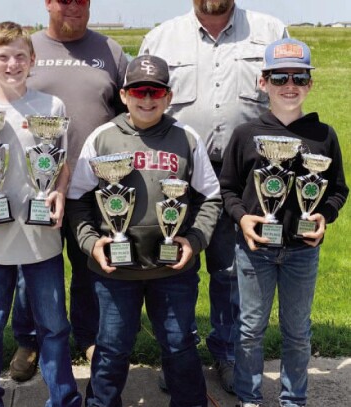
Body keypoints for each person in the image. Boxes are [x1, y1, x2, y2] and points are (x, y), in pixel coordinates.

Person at [139, 0, 287, 393]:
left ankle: (227, 354)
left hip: (246, 177)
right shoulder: (162, 37)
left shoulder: (271, 32)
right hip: (176, 176)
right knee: (173, 268)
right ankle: (178, 356)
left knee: (231, 272)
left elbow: (289, 98)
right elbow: (142, 104)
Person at [67, 54, 221, 407]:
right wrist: (91, 242)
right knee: (111, 348)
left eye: (156, 91)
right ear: (124, 95)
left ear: (168, 96)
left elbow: (211, 198)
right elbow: (77, 200)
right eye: (139, 91)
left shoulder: (186, 138)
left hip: (173, 269)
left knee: (180, 344)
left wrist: (194, 240)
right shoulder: (103, 138)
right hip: (115, 271)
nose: (147, 99)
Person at [0, 21, 82, 407]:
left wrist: (57, 194)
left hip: (42, 238)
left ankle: (63, 399)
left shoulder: (50, 107)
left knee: (55, 326)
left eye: (20, 56)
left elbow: (60, 164)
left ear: (33, 60)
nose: (12, 64)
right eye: (3, 57)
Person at [219, 38, 348, 407]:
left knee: (297, 333)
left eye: (299, 77)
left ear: (310, 84)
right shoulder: (246, 134)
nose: (289, 85)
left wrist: (324, 215)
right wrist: (242, 219)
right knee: (249, 330)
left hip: (301, 253)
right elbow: (227, 188)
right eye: (279, 78)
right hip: (255, 250)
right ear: (263, 83)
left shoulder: (323, 136)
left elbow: (338, 189)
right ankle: (249, 397)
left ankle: (294, 399)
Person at [8, 0, 129, 382]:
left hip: (95, 184)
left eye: (82, 0)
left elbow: (129, 110)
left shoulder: (110, 51)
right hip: (37, 185)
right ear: (48, 3)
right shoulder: (29, 48)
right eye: (64, 0)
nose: (73, 7)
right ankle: (28, 341)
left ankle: (89, 336)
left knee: (89, 265)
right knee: (34, 265)